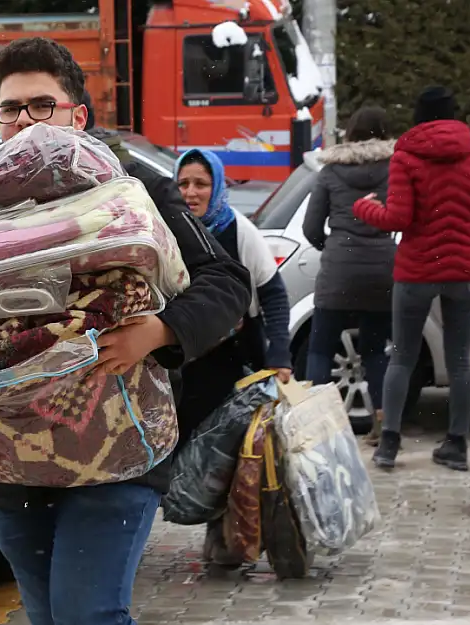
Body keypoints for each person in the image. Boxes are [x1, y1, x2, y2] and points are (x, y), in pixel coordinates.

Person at [0, 37, 251, 625]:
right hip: (10, 459)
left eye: (42, 106)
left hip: (117, 450)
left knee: (88, 616)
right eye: (11, 109)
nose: (24, 123)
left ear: (77, 116)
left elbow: (226, 279)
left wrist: (160, 331)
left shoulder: (133, 188)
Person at [353, 86, 470, 472]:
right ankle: (457, 444)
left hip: (416, 270)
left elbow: (398, 219)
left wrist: (364, 209)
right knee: (461, 361)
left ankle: (389, 444)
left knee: (402, 357)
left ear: (419, 115)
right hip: (463, 271)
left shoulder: (407, 158)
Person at [170, 147, 292, 569]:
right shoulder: (168, 230)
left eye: (201, 183)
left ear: (217, 187)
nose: (191, 192)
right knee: (185, 450)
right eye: (183, 183)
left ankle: (226, 537)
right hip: (186, 362)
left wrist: (281, 357)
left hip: (234, 364)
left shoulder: (238, 232)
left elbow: (274, 295)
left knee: (232, 454)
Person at [302, 106, 397, 446]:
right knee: (375, 350)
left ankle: (316, 429)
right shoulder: (394, 169)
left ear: (349, 134)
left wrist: (332, 245)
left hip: (340, 266)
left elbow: (311, 227)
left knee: (320, 350)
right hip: (383, 268)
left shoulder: (330, 172)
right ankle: (385, 424)